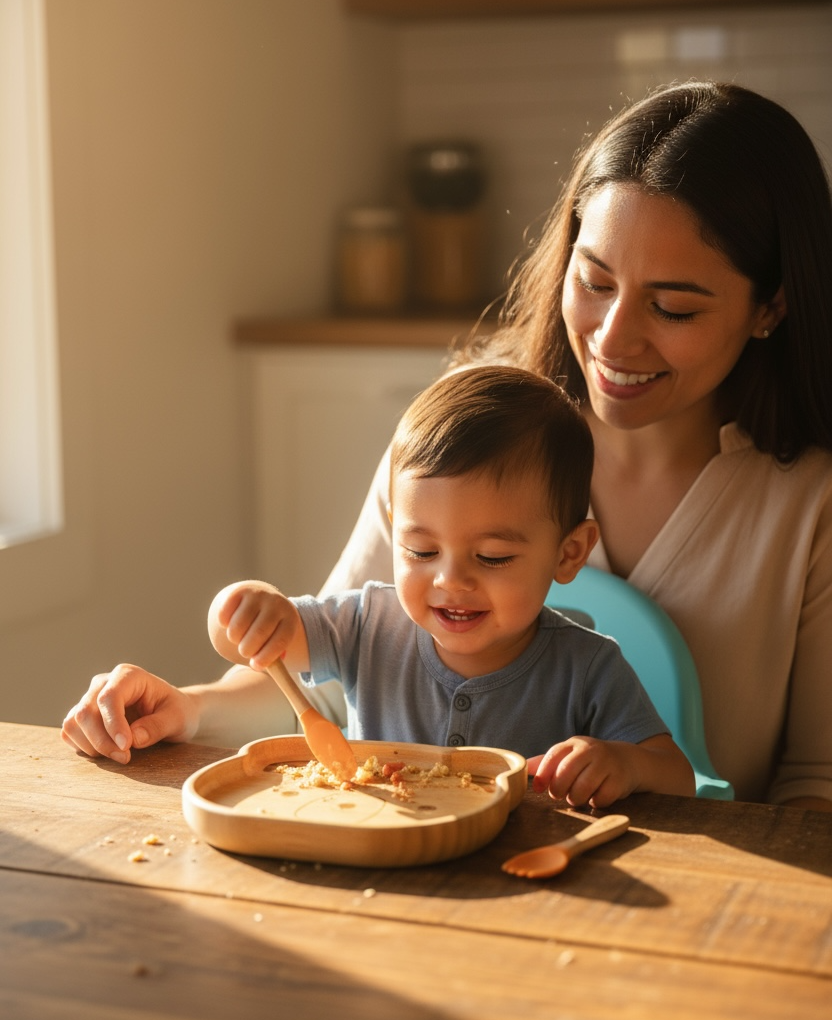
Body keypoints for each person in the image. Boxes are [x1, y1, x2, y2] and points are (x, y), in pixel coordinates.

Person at [63, 80, 832, 810]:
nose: (613, 336)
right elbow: (337, 677)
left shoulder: (810, 501)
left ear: (771, 306)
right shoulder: (466, 427)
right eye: (593, 282)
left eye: (671, 307)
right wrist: (186, 711)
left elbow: (816, 786)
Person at [207, 366, 693, 808]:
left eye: (492, 557)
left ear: (569, 553)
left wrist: (625, 764)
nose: (450, 580)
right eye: (420, 551)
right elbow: (243, 641)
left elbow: (679, 777)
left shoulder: (589, 667)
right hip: (380, 857)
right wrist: (244, 607)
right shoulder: (366, 624)